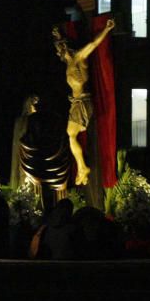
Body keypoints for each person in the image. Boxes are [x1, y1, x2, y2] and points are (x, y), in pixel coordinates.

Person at [52, 19, 115, 185]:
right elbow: (61, 44)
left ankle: (82, 167)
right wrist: (58, 35)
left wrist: (107, 29)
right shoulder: (69, 63)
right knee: (71, 135)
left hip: (82, 101)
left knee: (71, 134)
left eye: (62, 50)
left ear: (67, 49)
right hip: (76, 102)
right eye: (60, 51)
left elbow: (93, 44)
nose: (61, 54)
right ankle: (82, 168)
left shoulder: (79, 57)